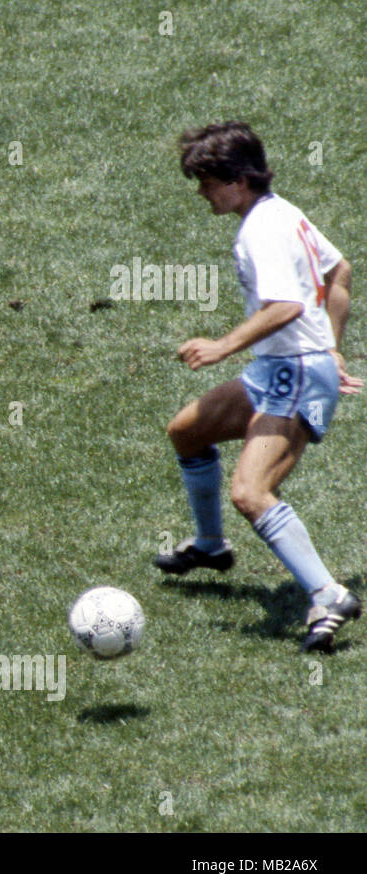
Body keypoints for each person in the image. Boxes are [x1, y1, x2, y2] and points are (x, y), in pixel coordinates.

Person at [154, 122, 359, 652]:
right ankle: (210, 546)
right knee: (186, 432)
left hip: (293, 374)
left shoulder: (261, 231)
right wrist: (330, 346)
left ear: (239, 180)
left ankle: (327, 593)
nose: (201, 192)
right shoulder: (283, 212)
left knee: (250, 492)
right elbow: (341, 271)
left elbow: (287, 306)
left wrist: (223, 345)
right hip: (279, 369)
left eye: (207, 181)